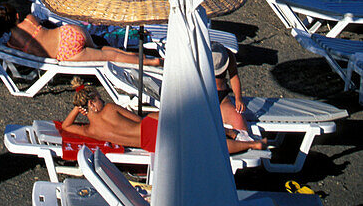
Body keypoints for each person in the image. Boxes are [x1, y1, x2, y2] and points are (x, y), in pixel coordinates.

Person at [64, 79, 265, 155]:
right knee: (196, 122)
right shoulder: (109, 109)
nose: (102, 99)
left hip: (149, 143)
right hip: (151, 124)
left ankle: (252, 145)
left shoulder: (90, 130)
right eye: (98, 98)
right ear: (91, 103)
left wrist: (77, 109)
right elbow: (137, 120)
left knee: (205, 146)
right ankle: (229, 130)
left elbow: (66, 126)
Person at [0, 3, 161, 67]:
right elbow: (44, 23)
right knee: (104, 49)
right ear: (17, 15)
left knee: (109, 57)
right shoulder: (29, 19)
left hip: (65, 51)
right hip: (69, 32)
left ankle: (150, 61)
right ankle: (141, 56)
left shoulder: (12, 45)